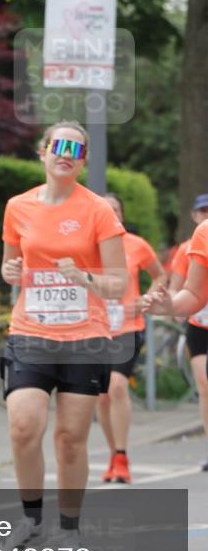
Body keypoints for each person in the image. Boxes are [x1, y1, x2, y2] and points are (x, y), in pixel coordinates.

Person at [0, 121, 127, 551]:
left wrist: (85, 276)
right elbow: (9, 265)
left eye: (76, 148)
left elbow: (119, 282)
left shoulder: (97, 210)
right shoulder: (17, 206)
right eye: (58, 145)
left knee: (71, 439)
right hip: (30, 331)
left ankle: (69, 529)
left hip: (84, 337)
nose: (65, 153)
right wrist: (10, 271)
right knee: (23, 426)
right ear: (42, 151)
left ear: (83, 159)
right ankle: (31, 519)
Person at [96, 193, 166, 484]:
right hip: (96, 327)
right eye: (104, 210)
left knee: (117, 387)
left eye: (114, 210)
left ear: (122, 216)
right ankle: (114, 455)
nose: (110, 215)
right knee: (101, 395)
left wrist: (147, 298)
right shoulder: (87, 245)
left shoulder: (136, 245)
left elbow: (160, 276)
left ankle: (122, 455)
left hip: (127, 326)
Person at [152, 198, 208, 470]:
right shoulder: (203, 235)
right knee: (205, 385)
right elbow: (194, 292)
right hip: (200, 324)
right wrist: (169, 304)